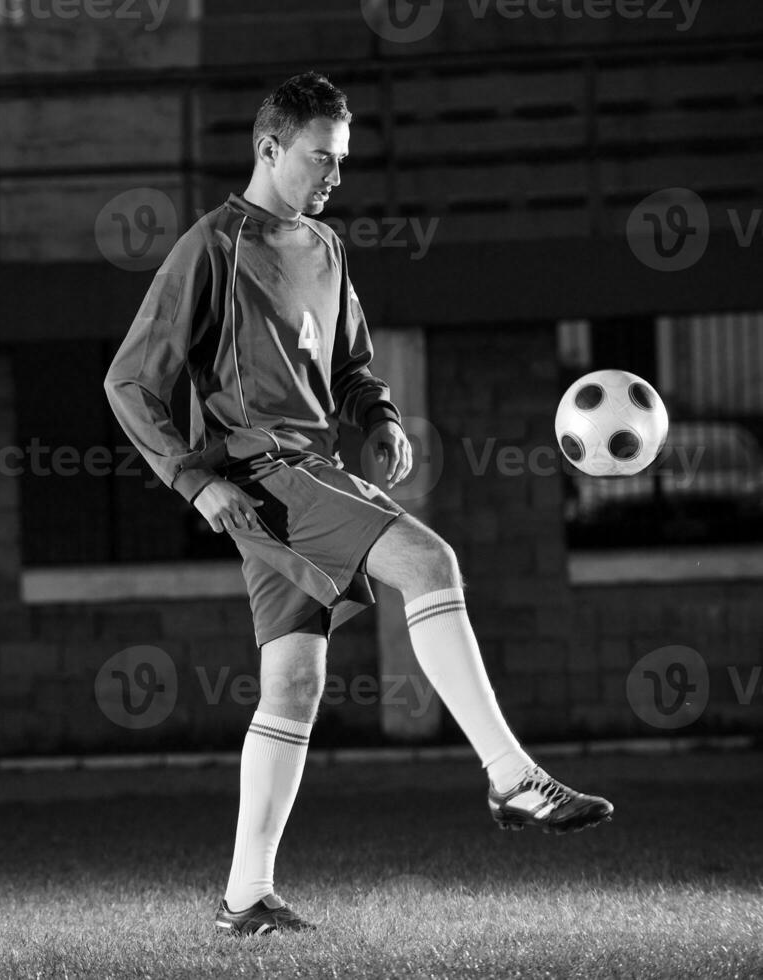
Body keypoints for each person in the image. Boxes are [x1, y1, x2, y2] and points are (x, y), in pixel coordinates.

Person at [103, 71, 613, 937]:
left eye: (341, 160)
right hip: (266, 469)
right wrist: (196, 479)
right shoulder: (211, 247)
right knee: (430, 561)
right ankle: (511, 776)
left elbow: (350, 366)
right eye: (319, 158)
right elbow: (127, 381)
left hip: (312, 465)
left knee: (293, 683)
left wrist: (378, 417)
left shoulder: (327, 248)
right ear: (269, 149)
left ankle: (244, 899)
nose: (334, 175)